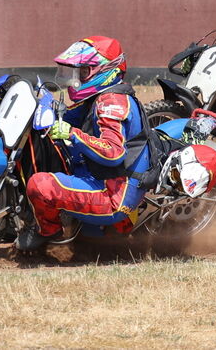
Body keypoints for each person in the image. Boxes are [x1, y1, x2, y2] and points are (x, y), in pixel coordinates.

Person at [18, 36, 154, 250]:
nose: (75, 79)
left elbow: (113, 153)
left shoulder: (111, 103)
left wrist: (72, 134)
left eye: (82, 72)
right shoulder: (98, 97)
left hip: (113, 196)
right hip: (98, 176)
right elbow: (65, 116)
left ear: (105, 71)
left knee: (40, 185)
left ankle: (48, 232)